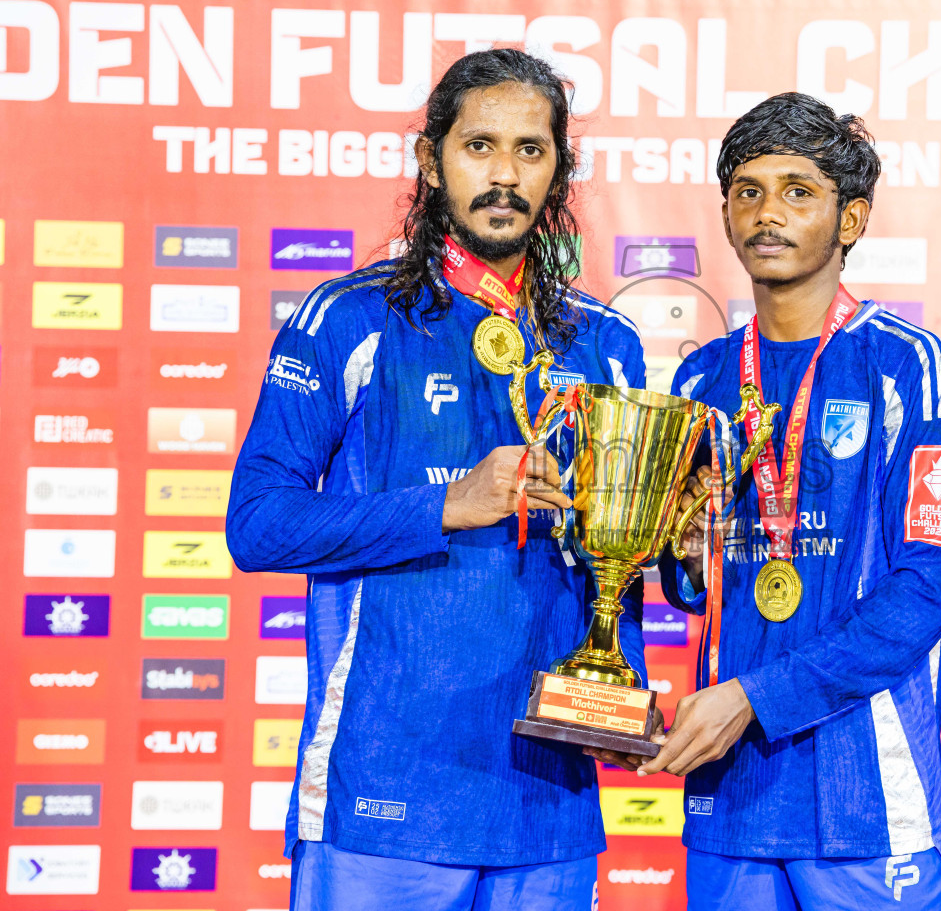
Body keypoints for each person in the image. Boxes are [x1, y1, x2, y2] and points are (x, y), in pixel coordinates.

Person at [227, 48, 648, 911]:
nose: (504, 175)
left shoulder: (606, 343)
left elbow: (619, 560)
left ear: (560, 168)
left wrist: (623, 682)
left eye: (530, 151)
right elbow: (258, 525)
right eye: (479, 146)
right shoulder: (346, 317)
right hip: (385, 799)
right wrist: (448, 505)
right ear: (431, 160)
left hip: (549, 803)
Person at [640, 93, 941, 910]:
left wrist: (755, 698)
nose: (767, 213)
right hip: (732, 798)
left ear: (850, 219)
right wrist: (683, 555)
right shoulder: (699, 380)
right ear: (723, 213)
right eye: (747, 191)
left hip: (865, 799)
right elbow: (693, 585)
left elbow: (923, 588)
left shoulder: (905, 365)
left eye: (798, 190)